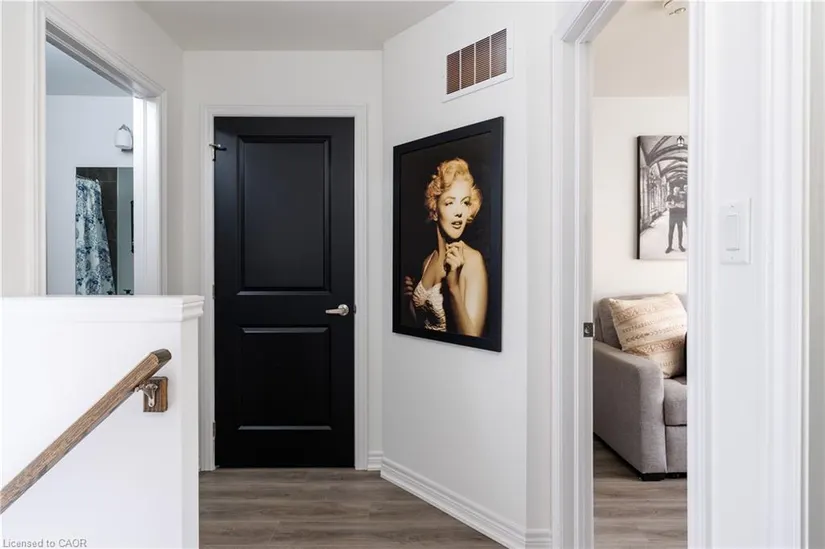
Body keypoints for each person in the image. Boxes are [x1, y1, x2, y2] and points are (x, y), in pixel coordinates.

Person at [403, 158, 489, 336]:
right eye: (450, 202)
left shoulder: (473, 260)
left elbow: (472, 340)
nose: (459, 212)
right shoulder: (428, 261)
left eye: (465, 202)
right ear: (434, 211)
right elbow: (421, 324)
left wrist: (453, 287)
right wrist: (408, 301)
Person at [665, 184, 687, 253]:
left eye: (678, 189)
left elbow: (683, 206)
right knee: (670, 232)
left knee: (680, 232)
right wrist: (678, 204)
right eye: (676, 189)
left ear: (679, 190)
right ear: (673, 189)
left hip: (680, 216)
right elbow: (667, 206)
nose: (677, 191)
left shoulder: (681, 197)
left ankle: (680, 245)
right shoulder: (669, 196)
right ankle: (669, 246)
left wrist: (674, 204)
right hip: (672, 217)